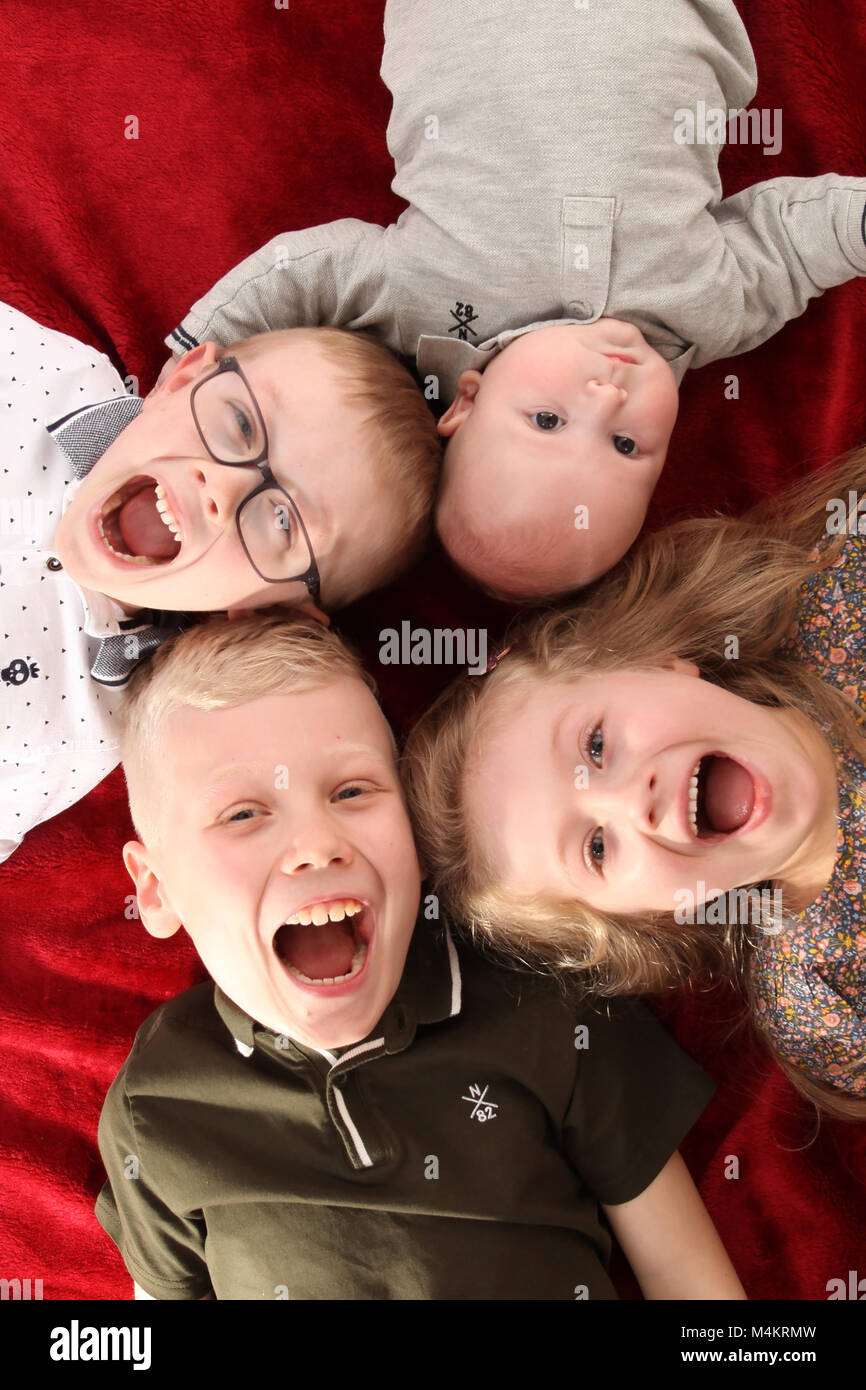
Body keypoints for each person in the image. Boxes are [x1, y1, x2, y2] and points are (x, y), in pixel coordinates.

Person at [95, 613, 746, 1300]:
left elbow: (685, 1274)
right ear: (156, 891)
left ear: (418, 839)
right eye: (243, 814)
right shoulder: (158, 1100)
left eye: (352, 791)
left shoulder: (542, 1005)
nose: (319, 842)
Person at [163, 0, 866, 598]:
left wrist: (200, 343)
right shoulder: (709, 310)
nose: (606, 395)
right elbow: (795, 240)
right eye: (626, 445)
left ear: (466, 400)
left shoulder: (425, 306)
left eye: (548, 419)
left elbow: (306, 273)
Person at [402, 448, 866, 1119]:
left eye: (596, 744)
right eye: (595, 848)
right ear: (652, 919)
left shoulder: (846, 574)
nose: (629, 799)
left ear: (660, 661)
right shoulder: (822, 1000)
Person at [0, 302, 440, 862]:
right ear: (184, 376)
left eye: (284, 523)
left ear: (267, 612)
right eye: (240, 423)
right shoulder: (46, 378)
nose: (223, 489)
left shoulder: (86, 734)